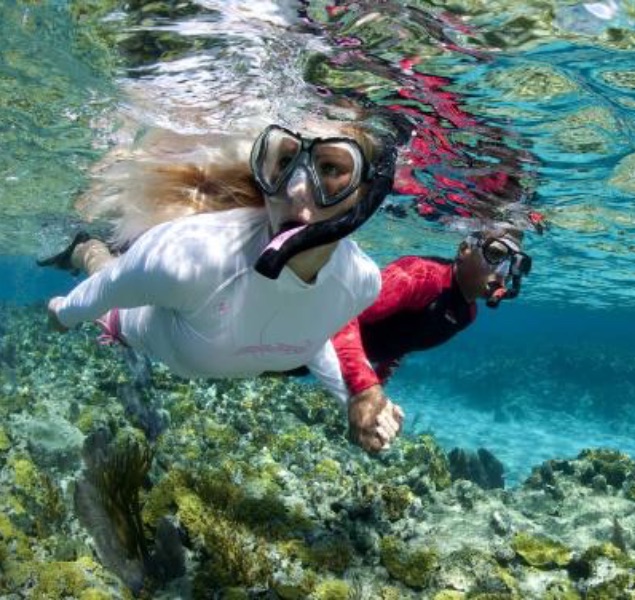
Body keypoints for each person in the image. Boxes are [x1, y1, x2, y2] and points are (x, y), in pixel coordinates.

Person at [41, 113, 407, 453]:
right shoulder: (187, 260)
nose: (295, 190)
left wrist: (354, 399)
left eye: (330, 167)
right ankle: (84, 247)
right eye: (283, 164)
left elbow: (310, 330)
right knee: (104, 267)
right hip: (137, 322)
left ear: (367, 194)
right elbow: (107, 288)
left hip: (201, 344)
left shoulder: (361, 283)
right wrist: (63, 314)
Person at [320, 226, 532, 409]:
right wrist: (366, 390)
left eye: (515, 263)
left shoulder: (467, 314)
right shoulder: (420, 276)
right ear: (464, 249)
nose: (504, 272)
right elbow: (344, 317)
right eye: (496, 253)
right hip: (308, 341)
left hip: (333, 362)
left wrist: (378, 383)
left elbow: (405, 341)